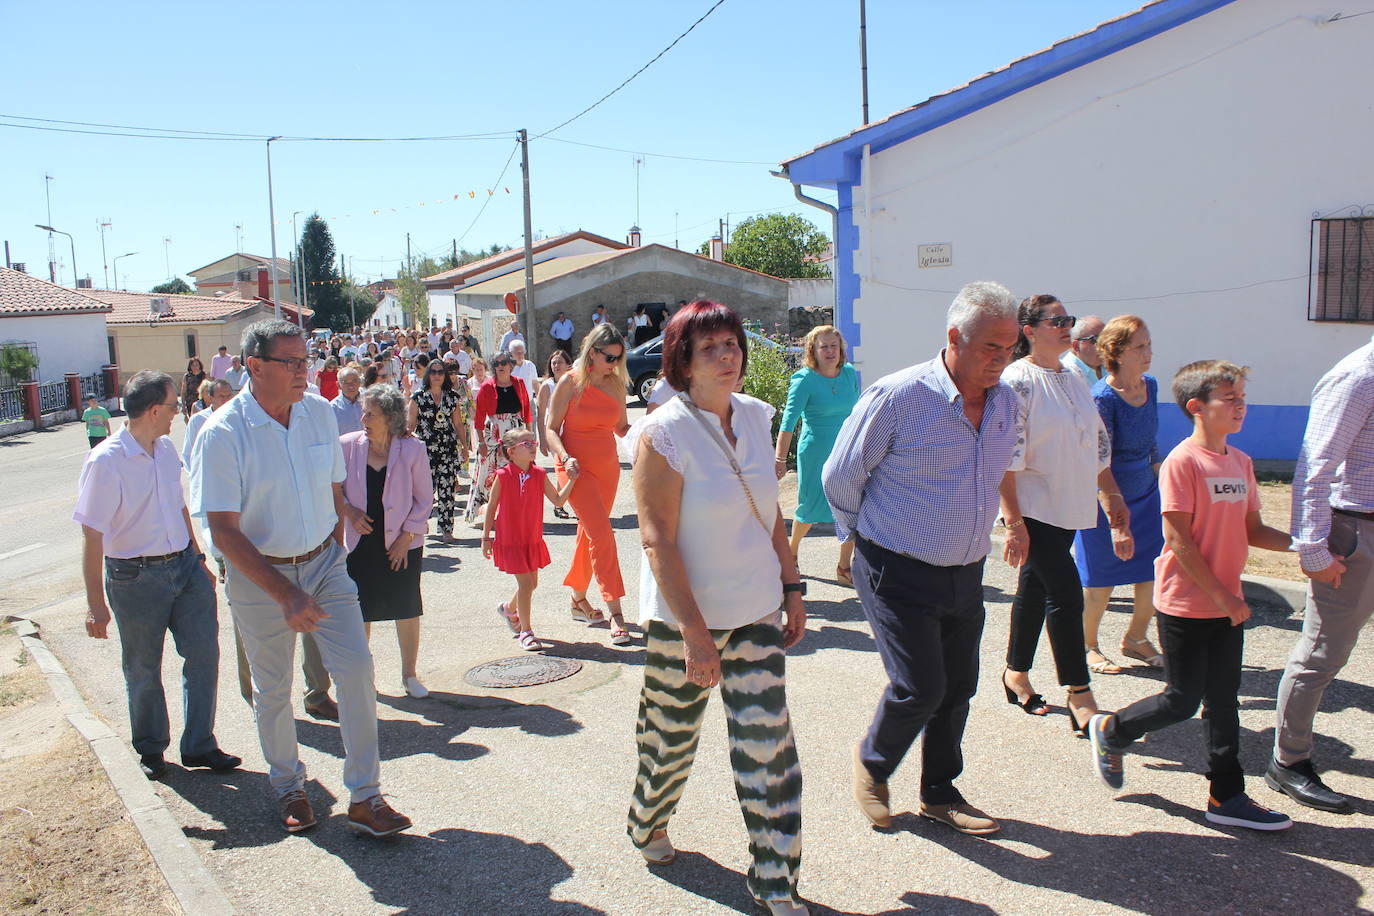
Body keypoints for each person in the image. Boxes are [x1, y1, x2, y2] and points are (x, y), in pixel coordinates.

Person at [191, 318, 411, 838]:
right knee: (273, 688)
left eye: (304, 360)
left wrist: (331, 551)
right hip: (259, 575)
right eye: (290, 362)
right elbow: (223, 531)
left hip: (324, 563)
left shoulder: (316, 413)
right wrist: (285, 591)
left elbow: (334, 489)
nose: (303, 372)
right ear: (254, 366)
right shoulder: (223, 433)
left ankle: (366, 795)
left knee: (356, 669)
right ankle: (289, 785)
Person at [626, 300, 807, 916]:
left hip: (754, 610)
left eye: (731, 344)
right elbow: (658, 540)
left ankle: (775, 880)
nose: (727, 356)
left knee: (769, 750)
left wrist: (791, 586)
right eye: (710, 348)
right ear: (683, 362)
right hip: (684, 623)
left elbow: (770, 511)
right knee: (670, 742)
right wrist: (696, 635)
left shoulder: (756, 416)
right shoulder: (662, 433)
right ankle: (647, 819)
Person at [823, 281, 1021, 835]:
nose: (1002, 360)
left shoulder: (1006, 401)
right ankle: (873, 765)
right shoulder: (898, 396)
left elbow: (1000, 468)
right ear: (955, 337)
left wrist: (1015, 522)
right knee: (920, 686)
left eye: (1011, 348)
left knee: (958, 687)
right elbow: (841, 474)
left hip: (967, 570)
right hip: (895, 566)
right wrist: (860, 539)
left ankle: (939, 792)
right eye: (991, 347)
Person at [1089, 360, 1295, 831]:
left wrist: (1305, 546)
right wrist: (1225, 599)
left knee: (1224, 700)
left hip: (1226, 603)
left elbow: (1254, 530)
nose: (1241, 406)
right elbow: (1178, 540)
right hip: (1185, 601)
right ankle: (1113, 729)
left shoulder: (1240, 462)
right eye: (1230, 398)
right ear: (1197, 407)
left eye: (1243, 397)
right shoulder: (1183, 462)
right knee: (1181, 701)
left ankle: (1226, 796)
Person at [75, 370, 239, 781]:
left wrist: (198, 558)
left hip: (184, 566)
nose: (177, 412)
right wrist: (96, 604)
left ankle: (199, 745)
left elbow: (178, 504)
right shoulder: (106, 461)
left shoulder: (165, 448)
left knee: (203, 654)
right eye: (172, 405)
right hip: (134, 577)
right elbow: (92, 535)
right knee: (144, 667)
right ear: (152, 410)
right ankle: (151, 748)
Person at [998, 295, 1126, 736]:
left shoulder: (1072, 376)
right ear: (1029, 330)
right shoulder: (1016, 380)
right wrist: (1013, 523)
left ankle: (1015, 672)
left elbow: (1096, 441)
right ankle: (1079, 692)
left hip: (1068, 503)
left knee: (1035, 588)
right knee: (1066, 593)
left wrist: (1111, 493)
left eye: (1067, 319)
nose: (1066, 326)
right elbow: (1006, 456)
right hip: (1033, 505)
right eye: (1056, 321)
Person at [1271, 336, 1374, 814]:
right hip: (1355, 531)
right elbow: (1315, 466)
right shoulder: (1358, 376)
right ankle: (1289, 761)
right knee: (1322, 654)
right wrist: (1312, 549)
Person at [1077, 316, 1167, 674]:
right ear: (1116, 352)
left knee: (1151, 572)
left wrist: (1163, 479)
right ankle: (1087, 646)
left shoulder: (1151, 386)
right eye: (1139, 347)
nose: (1149, 352)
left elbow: (1151, 441)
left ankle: (1136, 639)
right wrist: (1115, 515)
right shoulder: (1102, 398)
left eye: (1149, 344)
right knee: (1101, 581)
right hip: (1105, 497)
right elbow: (1099, 459)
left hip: (1146, 492)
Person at [341, 385, 434, 698]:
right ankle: (363, 678)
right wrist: (350, 511)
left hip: (402, 542)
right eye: (364, 412)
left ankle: (410, 676)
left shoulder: (412, 448)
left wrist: (407, 537)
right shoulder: (347, 445)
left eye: (371, 413)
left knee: (406, 606)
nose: (363, 419)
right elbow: (331, 487)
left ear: (391, 417)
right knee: (360, 610)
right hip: (359, 541)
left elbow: (424, 499)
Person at [545, 325, 632, 646]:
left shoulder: (616, 384)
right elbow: (551, 428)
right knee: (602, 534)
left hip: (607, 469)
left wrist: (654, 429)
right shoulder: (569, 382)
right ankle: (616, 612)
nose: (614, 364)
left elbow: (621, 427)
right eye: (610, 357)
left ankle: (577, 599)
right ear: (592, 352)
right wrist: (565, 457)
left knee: (591, 533)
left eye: (618, 358)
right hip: (574, 469)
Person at [773, 325, 861, 584]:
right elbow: (789, 422)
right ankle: (791, 553)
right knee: (810, 507)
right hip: (815, 451)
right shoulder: (804, 379)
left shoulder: (848, 373)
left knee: (850, 506)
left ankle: (844, 567)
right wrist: (779, 459)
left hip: (845, 449)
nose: (830, 351)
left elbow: (857, 413)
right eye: (824, 347)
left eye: (834, 346)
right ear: (813, 350)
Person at [483, 428, 578, 651]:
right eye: (526, 444)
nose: (533, 446)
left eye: (533, 442)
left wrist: (572, 480)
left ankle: (508, 609)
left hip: (531, 537)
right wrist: (486, 537)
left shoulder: (539, 474)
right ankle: (526, 632)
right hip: (511, 539)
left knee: (532, 584)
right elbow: (492, 506)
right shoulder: (503, 476)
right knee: (526, 584)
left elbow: (558, 500)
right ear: (511, 452)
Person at [408, 358, 465, 539]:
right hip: (425, 451)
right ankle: (416, 527)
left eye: (441, 372)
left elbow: (458, 423)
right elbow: (410, 425)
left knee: (447, 490)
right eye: (433, 372)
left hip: (447, 449)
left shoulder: (452, 397)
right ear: (428, 375)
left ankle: (446, 530)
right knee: (423, 492)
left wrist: (464, 446)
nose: (437, 375)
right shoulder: (418, 397)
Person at [538, 350, 575, 519]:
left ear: (568, 365)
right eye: (553, 362)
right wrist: (542, 439)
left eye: (560, 362)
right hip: (554, 432)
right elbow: (540, 414)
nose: (556, 366)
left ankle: (563, 502)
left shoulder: (573, 383)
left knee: (569, 467)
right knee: (562, 466)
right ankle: (559, 503)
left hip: (572, 429)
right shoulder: (547, 386)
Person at [183, 380, 233, 467]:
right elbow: (188, 454)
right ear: (210, 398)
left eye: (229, 396)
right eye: (221, 396)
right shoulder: (197, 420)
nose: (226, 400)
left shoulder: (238, 419)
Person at [1061, 315, 1106, 390]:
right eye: (1096, 339)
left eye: (1106, 338)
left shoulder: (1113, 367)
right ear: (1076, 346)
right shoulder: (1064, 375)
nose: (1104, 345)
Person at [331, 367, 364, 435]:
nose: (351, 386)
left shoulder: (369, 402)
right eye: (345, 382)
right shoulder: (333, 408)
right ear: (338, 385)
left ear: (359, 382)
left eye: (354, 381)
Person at [509, 339, 539, 404]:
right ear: (511, 353)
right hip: (513, 403)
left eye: (522, 352)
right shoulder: (508, 368)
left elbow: (535, 383)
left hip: (529, 402)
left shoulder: (530, 365)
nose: (520, 355)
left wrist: (539, 399)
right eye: (517, 352)